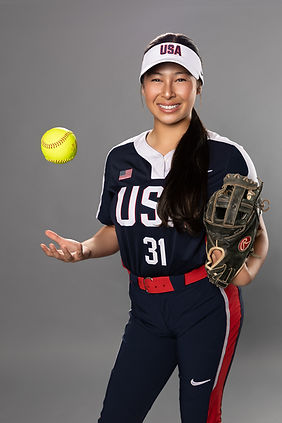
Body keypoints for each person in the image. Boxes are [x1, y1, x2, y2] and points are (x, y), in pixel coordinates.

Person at [40, 33, 269, 423]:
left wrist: (246, 271)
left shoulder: (226, 154)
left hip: (205, 305)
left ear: (198, 86)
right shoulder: (121, 158)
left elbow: (258, 235)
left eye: (180, 78)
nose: (168, 91)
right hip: (145, 309)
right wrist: (84, 249)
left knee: (200, 417)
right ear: (143, 86)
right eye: (155, 78)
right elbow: (117, 229)